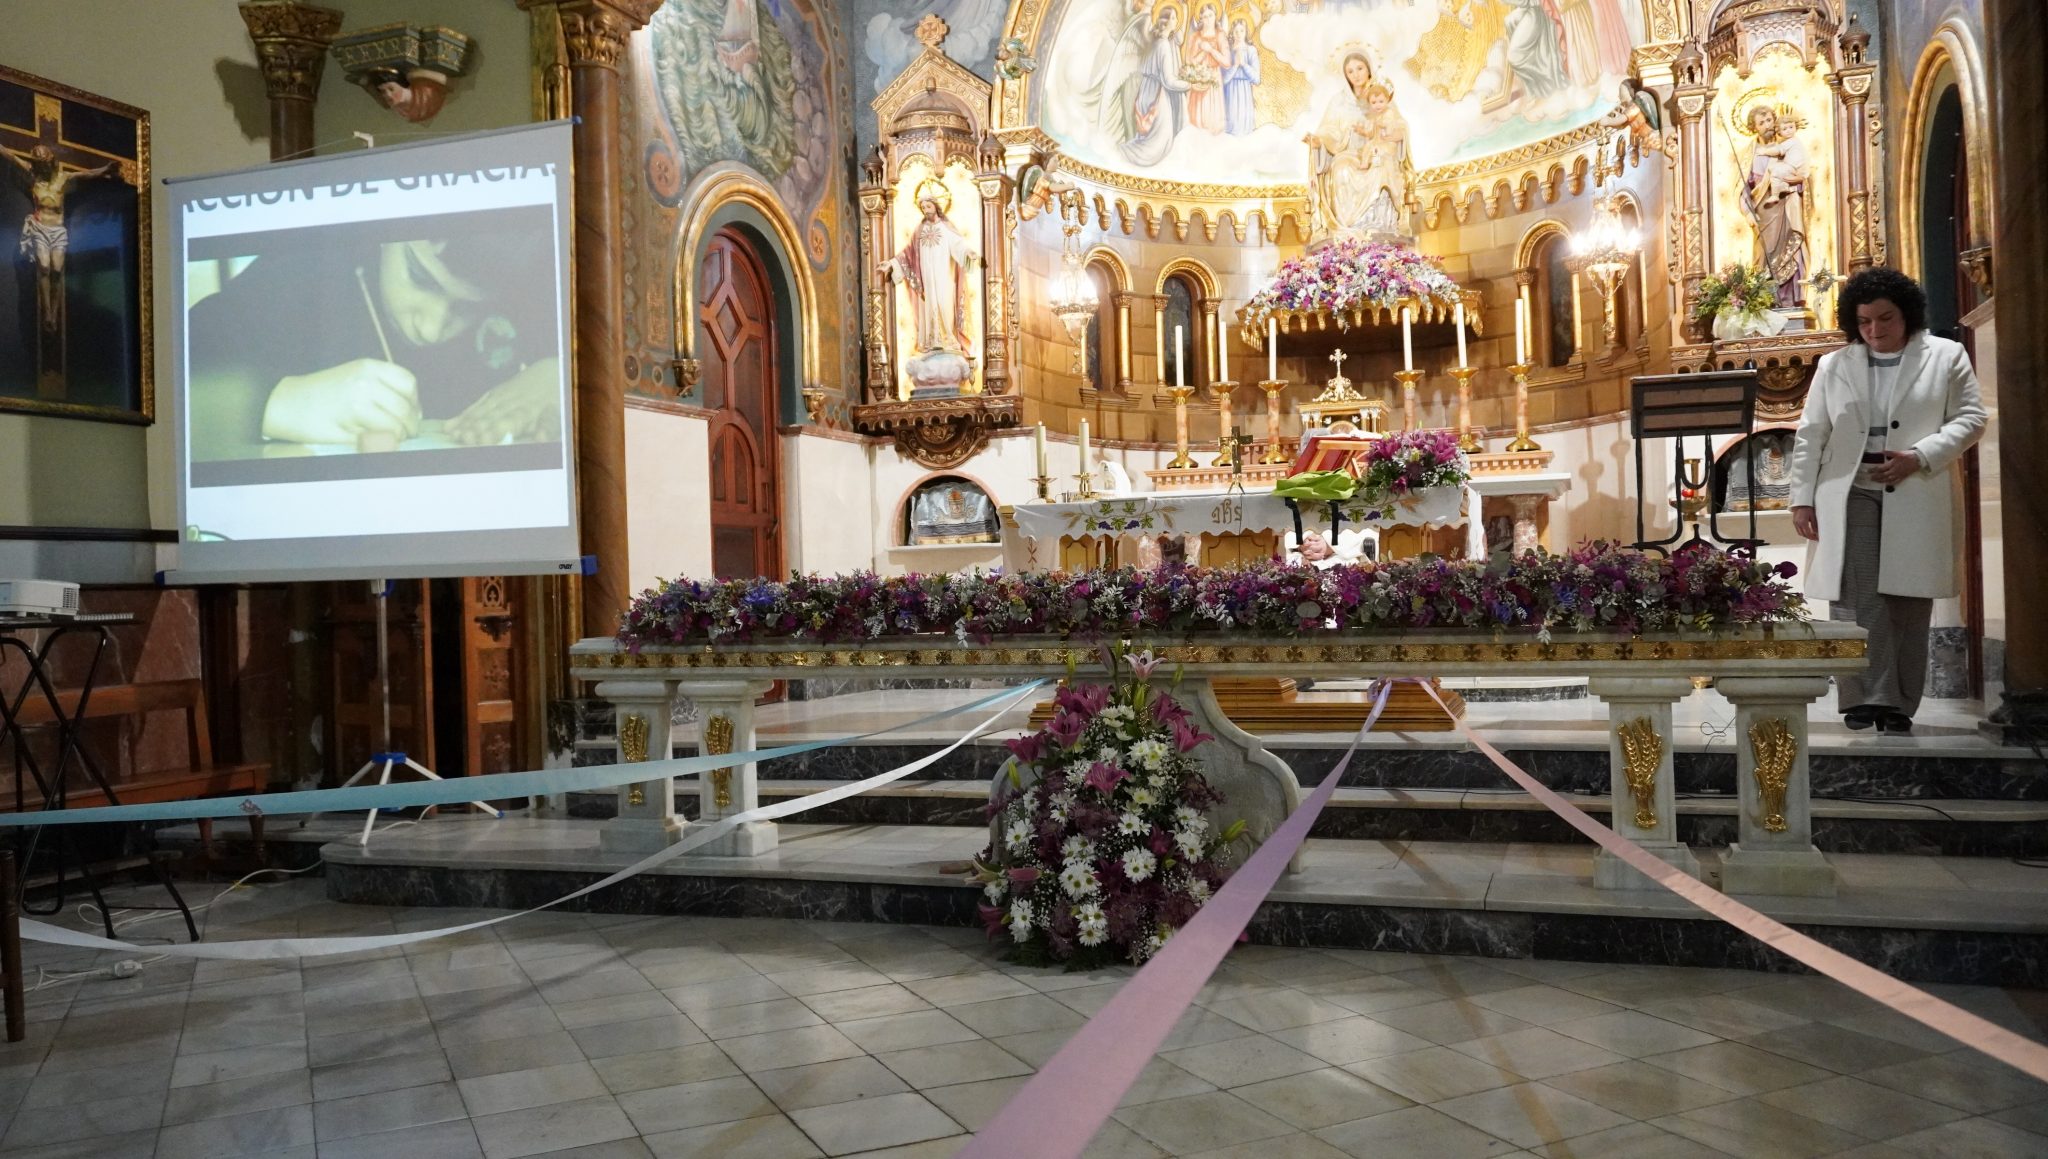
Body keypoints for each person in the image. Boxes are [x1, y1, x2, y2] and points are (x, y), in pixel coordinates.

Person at [1788, 268, 1987, 734]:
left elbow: (1971, 418)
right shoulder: (1834, 365)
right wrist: (1802, 499)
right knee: (1859, 598)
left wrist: (1920, 456)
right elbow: (1811, 433)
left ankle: (1899, 705)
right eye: (1864, 322)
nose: (1875, 330)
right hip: (1851, 489)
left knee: (1907, 599)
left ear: (1907, 315)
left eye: (1885, 318)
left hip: (1916, 486)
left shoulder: (1946, 356)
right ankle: (1864, 698)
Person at [186, 223, 559, 461]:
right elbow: (182, 361)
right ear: (385, 236)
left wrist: (560, 372)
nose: (431, 329)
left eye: (468, 308)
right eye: (419, 277)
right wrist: (277, 402)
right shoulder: (307, 263)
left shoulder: (530, 265)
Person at [1305, 55, 1410, 238]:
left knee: (1379, 167)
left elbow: (1399, 125)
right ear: (1345, 75)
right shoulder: (1338, 102)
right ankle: (1348, 232)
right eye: (1350, 71)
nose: (1356, 74)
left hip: (1377, 152)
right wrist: (1318, 142)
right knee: (1341, 170)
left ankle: (1378, 225)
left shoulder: (1381, 97)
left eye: (1360, 68)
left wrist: (1395, 135)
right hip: (1348, 154)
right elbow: (1328, 131)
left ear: (1368, 69)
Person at [1743, 104, 1812, 308]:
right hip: (1763, 211)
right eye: (1761, 123)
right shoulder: (1749, 154)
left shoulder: (1788, 146)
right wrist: (1747, 212)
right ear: (1754, 127)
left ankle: (1792, 300)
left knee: (1792, 249)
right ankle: (1767, 302)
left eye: (1769, 120)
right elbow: (1743, 188)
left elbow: (1802, 173)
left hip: (1787, 205)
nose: (1767, 125)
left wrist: (1796, 182)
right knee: (1764, 255)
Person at [1221, 20, 1260, 135]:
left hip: (1245, 93)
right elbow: (1223, 80)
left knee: (1244, 130)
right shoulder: (1227, 51)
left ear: (1246, 32)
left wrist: (1244, 65)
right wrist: (1235, 66)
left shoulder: (1251, 50)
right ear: (1232, 33)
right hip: (1230, 93)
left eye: (1241, 31)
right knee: (1231, 129)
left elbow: (1257, 79)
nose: (1239, 34)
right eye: (1236, 31)